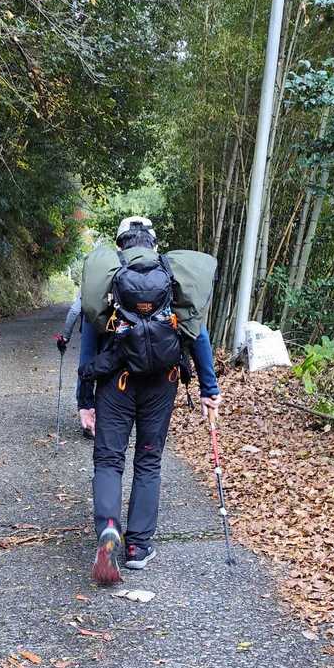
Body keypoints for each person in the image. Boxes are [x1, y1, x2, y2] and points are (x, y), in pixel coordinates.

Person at [77, 216, 220, 583]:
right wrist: (209, 388)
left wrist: (85, 399)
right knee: (148, 460)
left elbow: (90, 339)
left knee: (108, 460)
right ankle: (138, 547)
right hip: (162, 382)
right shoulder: (171, 276)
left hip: (115, 382)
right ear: (153, 244)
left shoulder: (109, 276)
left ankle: (109, 529)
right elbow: (197, 333)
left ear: (120, 244)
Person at [55, 293, 91, 438]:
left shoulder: (89, 283)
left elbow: (74, 311)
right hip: (112, 334)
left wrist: (65, 337)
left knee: (86, 372)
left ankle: (88, 421)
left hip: (91, 331)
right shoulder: (118, 280)